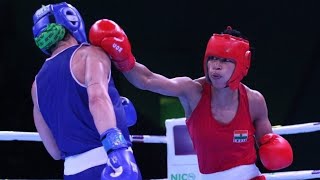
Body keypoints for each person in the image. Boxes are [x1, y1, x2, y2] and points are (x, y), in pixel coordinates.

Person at [89, 19, 294, 180]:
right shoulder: (192, 91)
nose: (216, 66)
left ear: (241, 65)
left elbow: (267, 142)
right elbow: (147, 79)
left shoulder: (254, 101)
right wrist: (123, 57)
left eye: (225, 60)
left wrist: (272, 147)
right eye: (213, 58)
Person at [31, 3, 141, 180]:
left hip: (72, 171)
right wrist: (117, 149)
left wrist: (116, 109)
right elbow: (97, 99)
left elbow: (54, 151)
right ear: (72, 21)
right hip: (109, 160)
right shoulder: (89, 54)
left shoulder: (36, 85)